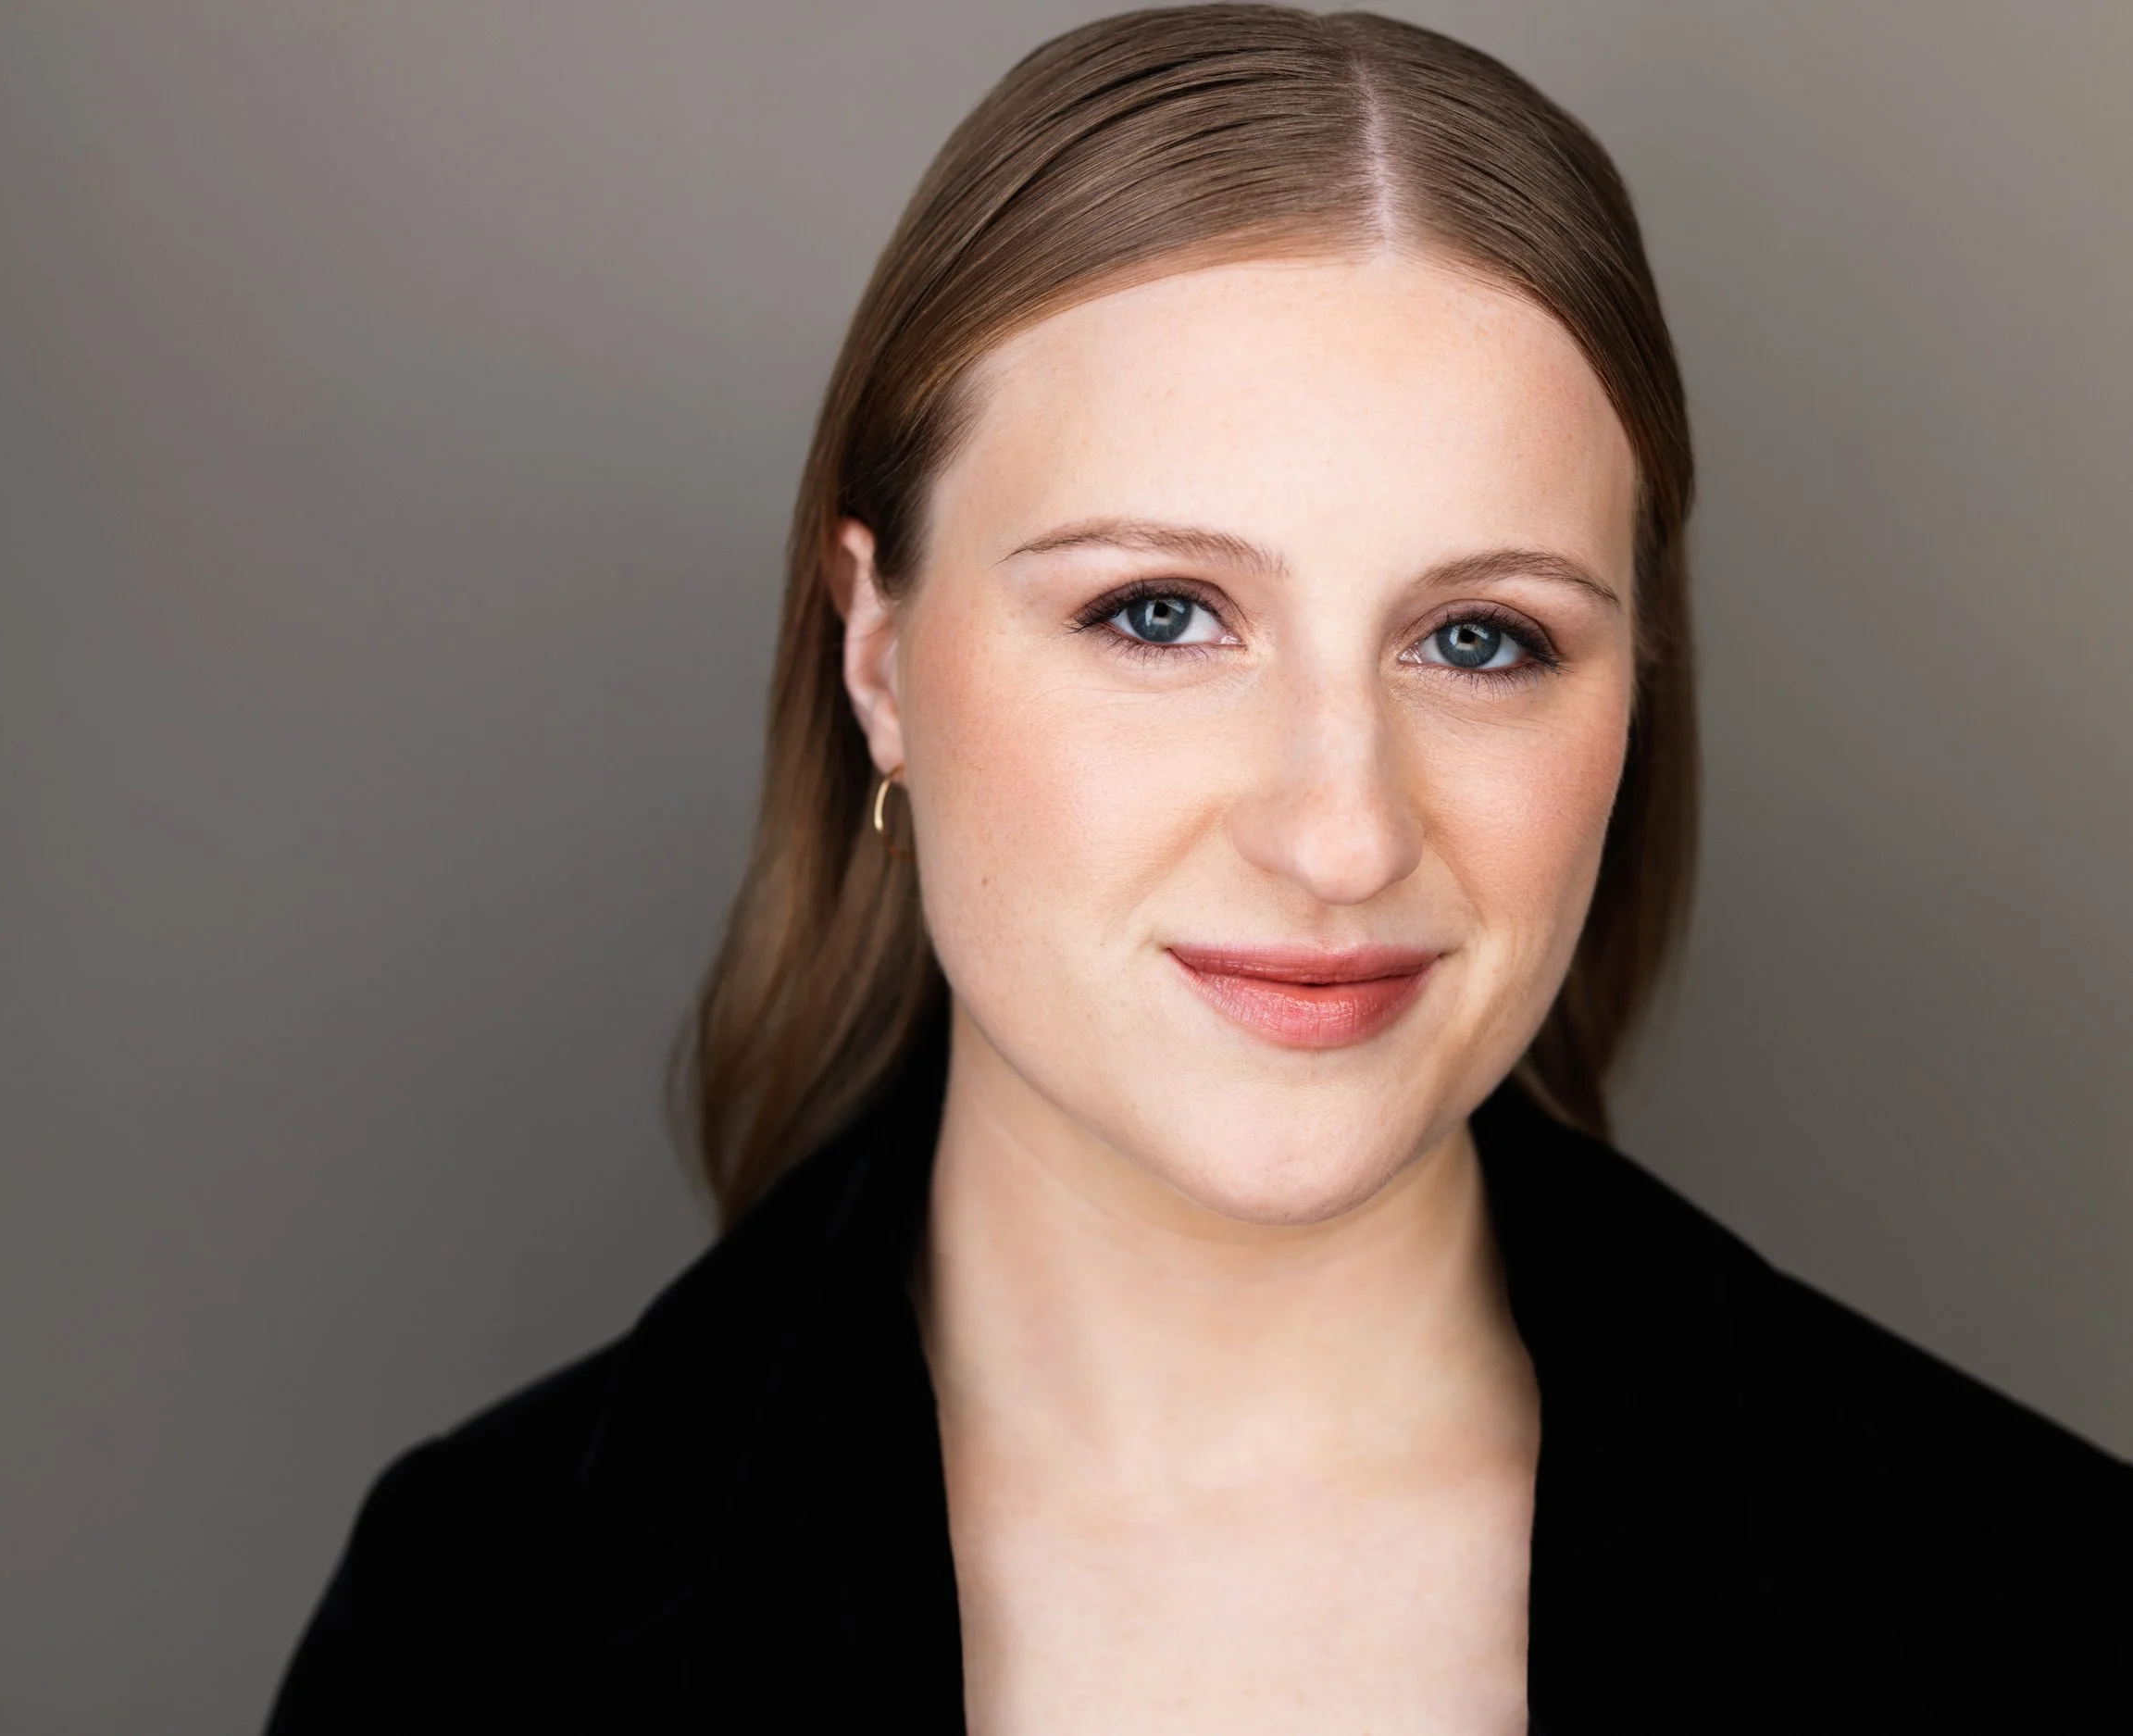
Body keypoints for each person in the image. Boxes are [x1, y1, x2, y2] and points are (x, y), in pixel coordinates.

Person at [266, 8, 2132, 1730]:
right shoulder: (474, 1625)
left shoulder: (2039, 1606)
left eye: (1478, 638)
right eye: (1158, 612)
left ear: (1636, 686)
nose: (1337, 832)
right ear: (876, 651)